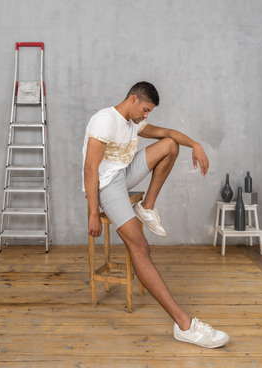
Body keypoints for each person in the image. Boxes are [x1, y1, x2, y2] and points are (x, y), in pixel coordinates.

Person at [82, 81, 229, 348]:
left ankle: (146, 207)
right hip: (105, 185)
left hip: (123, 174)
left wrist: (195, 144)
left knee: (171, 144)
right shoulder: (105, 120)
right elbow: (91, 169)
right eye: (146, 109)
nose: (146, 116)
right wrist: (93, 212)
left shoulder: (133, 121)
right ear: (134, 99)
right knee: (139, 246)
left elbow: (169, 133)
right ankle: (184, 325)